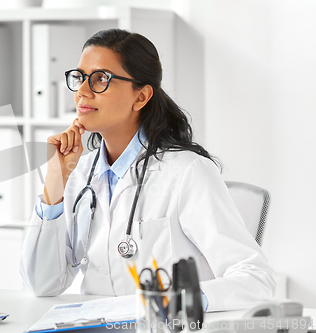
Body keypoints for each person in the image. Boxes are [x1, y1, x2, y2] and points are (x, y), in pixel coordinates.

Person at [20, 28, 275, 312]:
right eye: (80, 77)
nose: (82, 91)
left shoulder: (187, 171)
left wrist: (173, 302)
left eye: (100, 79)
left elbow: (256, 280)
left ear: (140, 97)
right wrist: (55, 182)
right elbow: (41, 284)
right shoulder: (77, 172)